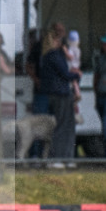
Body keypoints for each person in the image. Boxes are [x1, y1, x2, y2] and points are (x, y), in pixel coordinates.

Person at [39, 26, 80, 164]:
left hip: (54, 94)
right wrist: (77, 75)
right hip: (61, 94)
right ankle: (59, 158)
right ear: (55, 41)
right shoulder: (55, 56)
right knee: (64, 127)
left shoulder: (46, 56)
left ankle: (64, 157)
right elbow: (66, 74)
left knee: (64, 125)